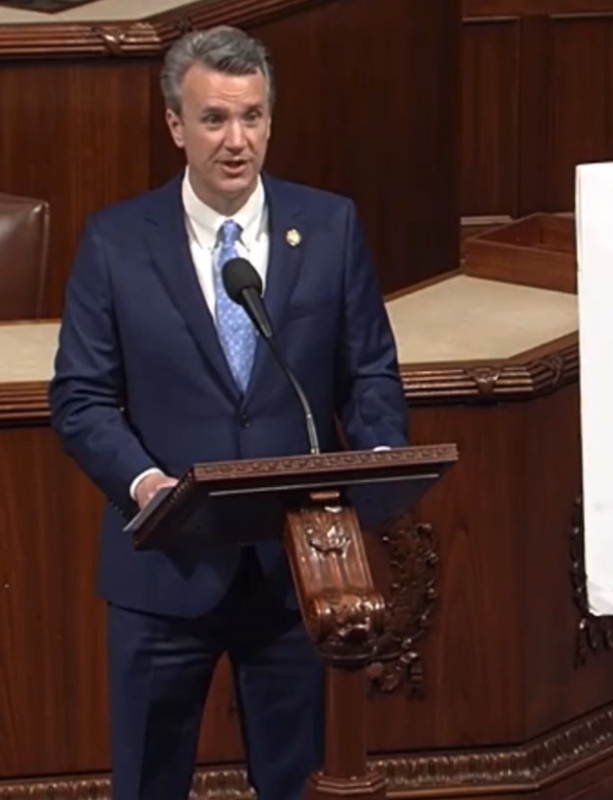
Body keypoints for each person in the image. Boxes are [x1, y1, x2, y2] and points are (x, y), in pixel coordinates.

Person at [46, 26, 409, 800]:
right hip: (164, 566)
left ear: (271, 119)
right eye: (213, 118)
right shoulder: (116, 241)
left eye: (251, 116)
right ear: (175, 125)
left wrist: (381, 457)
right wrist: (145, 484)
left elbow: (368, 369)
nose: (236, 140)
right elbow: (80, 395)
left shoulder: (331, 226)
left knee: (298, 781)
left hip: (296, 571)